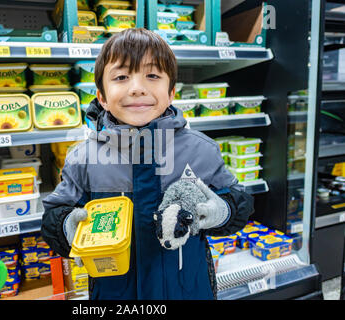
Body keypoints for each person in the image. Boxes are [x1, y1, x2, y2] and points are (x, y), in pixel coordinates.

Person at [41, 28, 254, 300]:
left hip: (189, 290)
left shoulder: (201, 150)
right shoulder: (83, 158)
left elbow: (239, 200)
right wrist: (65, 227)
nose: (137, 87)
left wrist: (220, 210)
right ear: (102, 97)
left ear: (171, 92)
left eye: (152, 75)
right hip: (114, 293)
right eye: (121, 77)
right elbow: (54, 213)